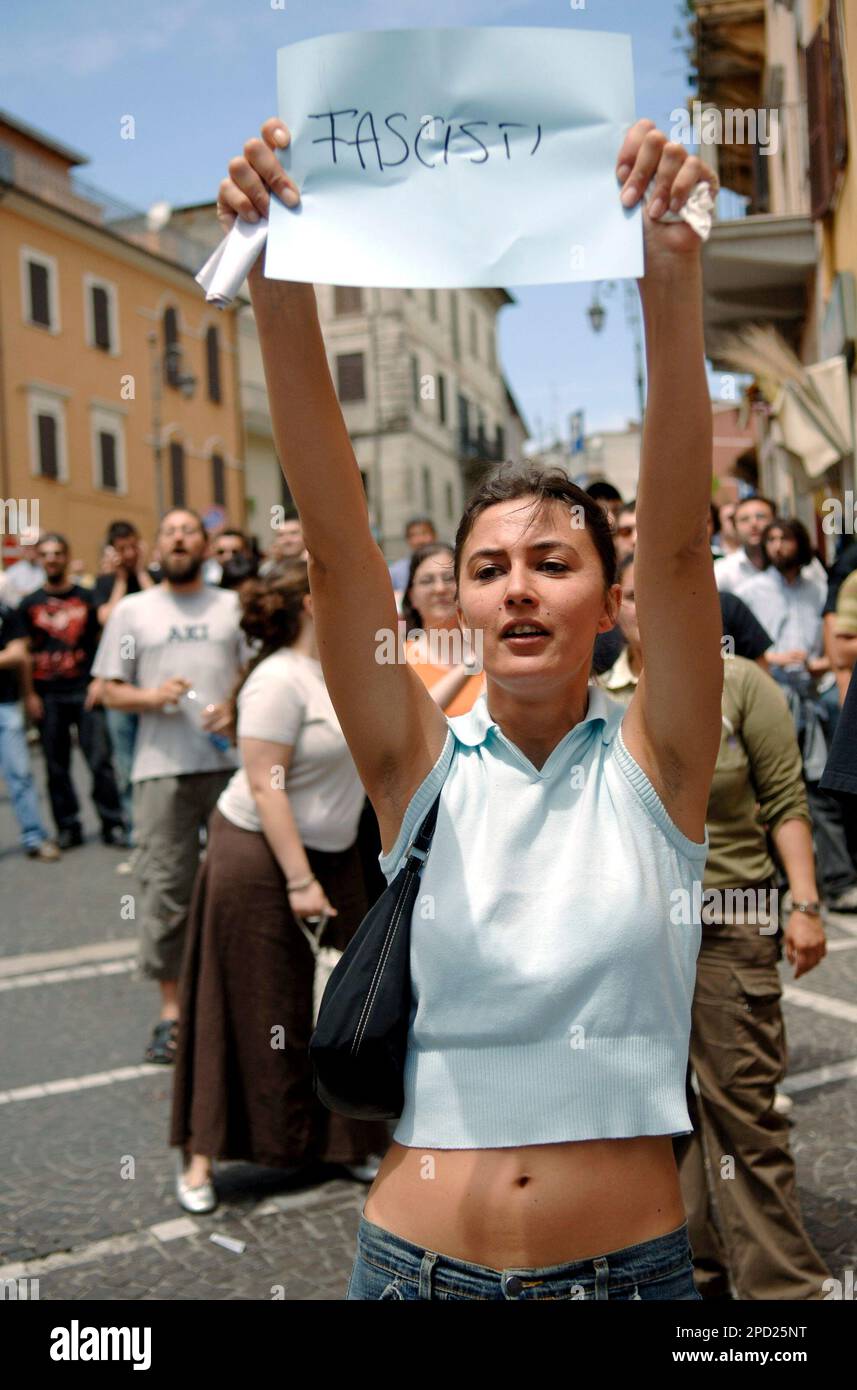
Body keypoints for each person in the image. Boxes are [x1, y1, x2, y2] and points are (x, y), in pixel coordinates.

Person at [220, 114, 724, 1301]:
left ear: (610, 599)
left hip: (626, 1277)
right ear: (458, 601)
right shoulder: (419, 766)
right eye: (489, 566)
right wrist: (275, 278)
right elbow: (339, 555)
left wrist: (669, 275)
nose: (516, 587)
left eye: (553, 560)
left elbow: (686, 553)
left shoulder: (660, 762)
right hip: (411, 1271)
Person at [599, 556, 831, 1296]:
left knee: (744, 1108)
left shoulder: (740, 684)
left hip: (729, 916)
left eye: (664, 594)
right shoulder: (592, 700)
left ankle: (782, 1286)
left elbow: (784, 800)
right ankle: (693, 1267)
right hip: (634, 935)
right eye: (633, 596)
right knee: (663, 1119)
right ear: (613, 606)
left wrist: (802, 902)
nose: (648, 608)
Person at [170, 564, 389, 1212]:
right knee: (242, 1003)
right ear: (309, 605)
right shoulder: (276, 678)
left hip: (334, 854)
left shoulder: (353, 669)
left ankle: (347, 1144)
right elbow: (265, 784)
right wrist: (297, 879)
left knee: (335, 1006)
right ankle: (199, 1162)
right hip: (260, 856)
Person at [92, 509, 243, 1064]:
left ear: (205, 546)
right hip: (160, 769)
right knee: (167, 892)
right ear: (158, 547)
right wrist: (151, 698)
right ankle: (172, 1015)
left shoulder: (232, 606)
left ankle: (240, 1005)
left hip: (231, 768)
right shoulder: (134, 612)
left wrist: (235, 706)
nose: (179, 537)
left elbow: (255, 675)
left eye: (190, 531)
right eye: (171, 531)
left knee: (239, 888)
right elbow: (105, 690)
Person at [739, 518, 857, 911]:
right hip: (769, 698)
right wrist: (771, 659)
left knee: (821, 787)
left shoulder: (817, 586)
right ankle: (784, 882)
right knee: (773, 789)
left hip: (815, 697)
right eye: (770, 539)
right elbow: (738, 647)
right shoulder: (751, 590)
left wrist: (821, 663)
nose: (777, 545)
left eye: (784, 537)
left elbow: (833, 643)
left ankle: (835, 880)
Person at [20, 534, 125, 850]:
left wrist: (100, 679)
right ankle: (68, 827)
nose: (52, 559)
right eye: (46, 554)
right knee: (56, 765)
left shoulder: (87, 597)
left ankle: (112, 823)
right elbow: (24, 652)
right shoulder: (29, 603)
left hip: (85, 690)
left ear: (66, 557)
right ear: (39, 559)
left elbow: (105, 639)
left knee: (99, 761)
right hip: (48, 694)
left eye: (57, 553)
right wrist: (30, 695)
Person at [91, 521, 155, 866]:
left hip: (154, 686)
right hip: (121, 687)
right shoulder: (103, 583)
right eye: (121, 548)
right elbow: (106, 619)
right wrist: (118, 580)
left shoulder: (155, 578)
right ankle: (139, 841)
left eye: (132, 547)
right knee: (127, 768)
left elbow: (159, 610)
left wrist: (142, 572)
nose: (128, 554)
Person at [0, 597, 60, 861]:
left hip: (6, 704)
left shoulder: (6, 611)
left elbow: (19, 655)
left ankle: (34, 837)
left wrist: (29, 695)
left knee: (20, 773)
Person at [401, 543, 484, 716]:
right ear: (412, 596)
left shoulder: (492, 650)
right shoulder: (398, 660)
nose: (440, 589)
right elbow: (412, 723)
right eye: (427, 581)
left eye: (449, 578)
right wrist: (472, 663)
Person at [715, 496, 826, 600]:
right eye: (744, 519)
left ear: (775, 520)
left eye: (760, 516)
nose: (753, 524)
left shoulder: (805, 564)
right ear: (735, 526)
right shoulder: (723, 571)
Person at [387, 517, 437, 594]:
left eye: (424, 533)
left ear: (434, 535)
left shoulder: (450, 565)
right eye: (414, 535)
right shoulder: (396, 572)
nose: (420, 540)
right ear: (407, 540)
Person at [0, 539, 44, 607]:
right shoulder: (12, 571)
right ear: (22, 549)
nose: (31, 552)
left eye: (34, 548)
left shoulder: (46, 569)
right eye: (28, 548)